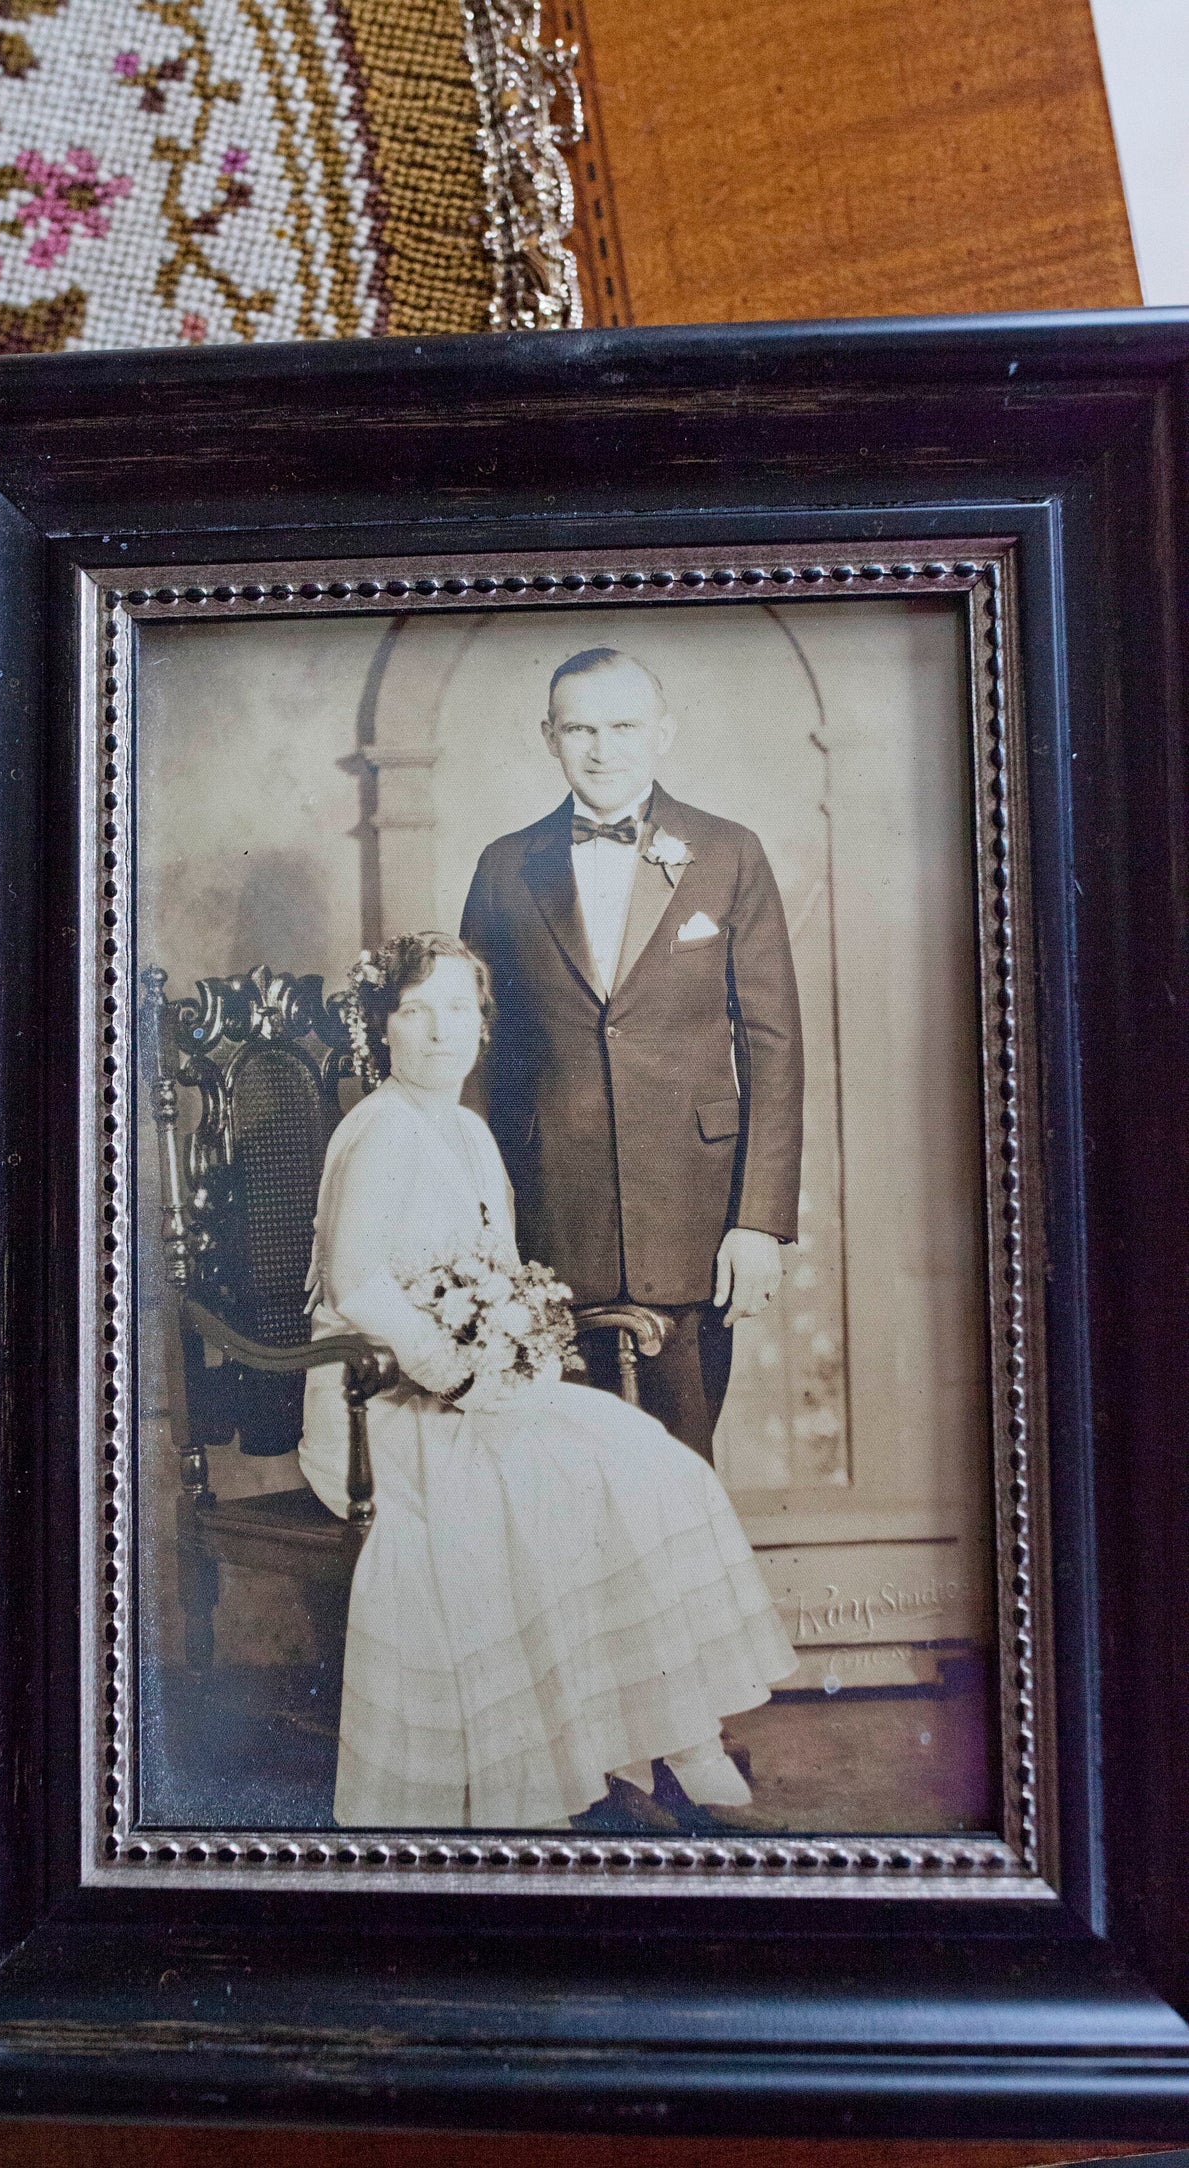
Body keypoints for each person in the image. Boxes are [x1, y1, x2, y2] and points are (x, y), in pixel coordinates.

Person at [298, 930, 797, 1832]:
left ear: (483, 1028)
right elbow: (355, 1286)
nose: (440, 1032)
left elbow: (492, 1269)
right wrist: (450, 1363)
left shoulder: (467, 1129)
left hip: (463, 1390)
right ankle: (563, 1763)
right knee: (553, 1487)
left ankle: (667, 1736)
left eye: (459, 1010)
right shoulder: (373, 1132)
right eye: (414, 1012)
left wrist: (510, 1344)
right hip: (376, 1404)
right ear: (383, 1031)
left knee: (646, 1459)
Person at [460, 645, 805, 1463]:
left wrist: (758, 1222)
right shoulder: (504, 864)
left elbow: (773, 1045)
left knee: (680, 1466)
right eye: (579, 728)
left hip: (693, 1217)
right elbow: (480, 1048)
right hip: (548, 1214)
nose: (601, 748)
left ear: (663, 733)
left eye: (622, 726)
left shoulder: (728, 852)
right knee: (557, 1469)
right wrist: (478, 1219)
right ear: (548, 737)